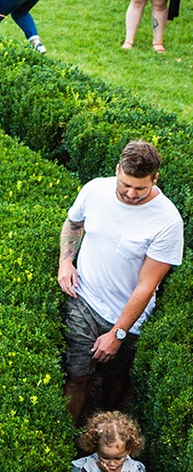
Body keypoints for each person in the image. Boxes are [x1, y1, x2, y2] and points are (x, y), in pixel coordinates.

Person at [57, 141, 183, 425]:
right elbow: (73, 224)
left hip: (127, 315)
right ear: (117, 170)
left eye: (140, 188)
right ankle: (64, 441)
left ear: (155, 179)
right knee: (78, 375)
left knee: (116, 375)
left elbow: (146, 286)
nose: (130, 193)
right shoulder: (94, 190)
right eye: (125, 184)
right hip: (84, 299)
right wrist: (66, 261)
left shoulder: (168, 221)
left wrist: (118, 333)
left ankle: (104, 429)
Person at [71, 411, 146, 472]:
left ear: (128, 450)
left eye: (118, 458)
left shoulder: (135, 468)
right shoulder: (84, 467)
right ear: (95, 447)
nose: (112, 464)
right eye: (105, 458)